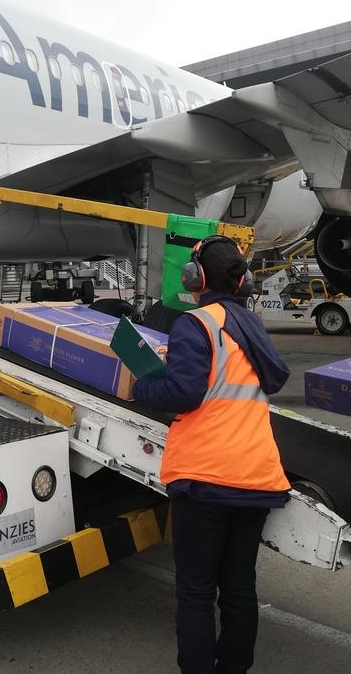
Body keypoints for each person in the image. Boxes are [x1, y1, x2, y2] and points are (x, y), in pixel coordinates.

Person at [133, 236, 291, 674]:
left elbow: (183, 393)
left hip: (206, 476)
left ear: (195, 278)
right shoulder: (250, 323)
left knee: (197, 592)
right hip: (258, 475)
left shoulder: (196, 323)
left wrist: (140, 386)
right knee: (239, 586)